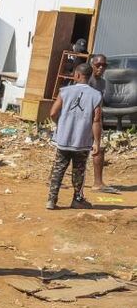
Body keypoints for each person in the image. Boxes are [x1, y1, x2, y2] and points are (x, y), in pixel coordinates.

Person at [46, 62, 103, 210]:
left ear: (77, 75)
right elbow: (96, 120)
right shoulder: (96, 95)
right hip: (82, 141)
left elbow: (52, 113)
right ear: (89, 76)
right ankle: (77, 199)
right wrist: (97, 142)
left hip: (63, 138)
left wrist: (61, 123)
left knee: (59, 168)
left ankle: (51, 200)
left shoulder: (65, 91)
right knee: (79, 170)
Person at [87, 54, 117, 194]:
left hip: (96, 119)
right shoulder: (86, 79)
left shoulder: (103, 83)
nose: (101, 68)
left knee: (98, 147)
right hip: (83, 118)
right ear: (92, 64)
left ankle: (98, 183)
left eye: (104, 65)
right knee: (68, 148)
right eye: (98, 65)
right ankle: (54, 178)